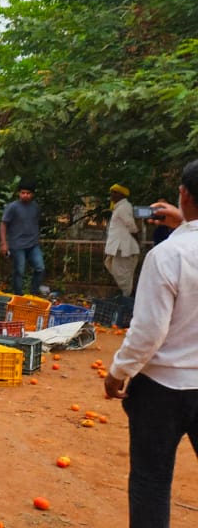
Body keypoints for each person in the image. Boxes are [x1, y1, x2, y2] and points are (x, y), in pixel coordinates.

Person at [104, 162, 198, 528]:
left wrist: (118, 372)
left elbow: (148, 332)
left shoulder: (167, 256)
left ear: (183, 194)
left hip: (162, 388)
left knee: (151, 481)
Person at [1, 180, 45, 295]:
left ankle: (33, 293)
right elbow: (4, 223)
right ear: (19, 193)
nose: (25, 195)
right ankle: (18, 294)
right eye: (23, 193)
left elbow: (35, 222)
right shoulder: (13, 207)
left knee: (40, 268)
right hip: (17, 244)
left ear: (32, 194)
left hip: (33, 244)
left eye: (28, 193)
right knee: (19, 271)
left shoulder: (35, 207)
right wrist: (4, 243)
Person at [104, 184, 141, 297]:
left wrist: (136, 239)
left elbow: (131, 225)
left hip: (124, 248)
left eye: (114, 192)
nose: (112, 195)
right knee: (115, 269)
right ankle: (127, 295)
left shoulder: (124, 207)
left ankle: (127, 297)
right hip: (119, 248)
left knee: (123, 274)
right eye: (112, 192)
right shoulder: (119, 207)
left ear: (121, 195)